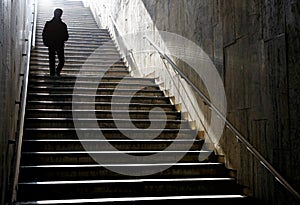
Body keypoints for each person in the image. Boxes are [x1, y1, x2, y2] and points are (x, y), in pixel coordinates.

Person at [42, 8, 69, 76]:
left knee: (52, 60)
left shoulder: (49, 24)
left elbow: (44, 34)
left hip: (52, 44)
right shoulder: (63, 25)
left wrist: (46, 42)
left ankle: (52, 74)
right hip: (59, 44)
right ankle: (57, 72)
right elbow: (66, 37)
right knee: (61, 60)